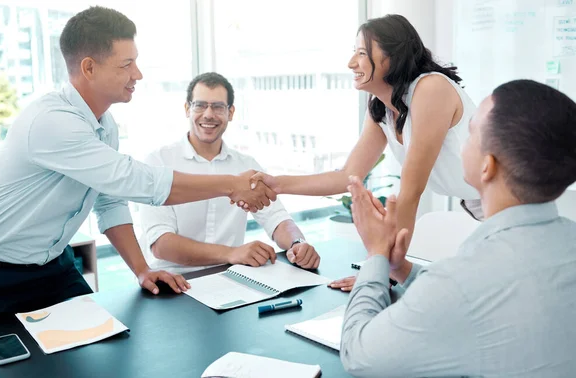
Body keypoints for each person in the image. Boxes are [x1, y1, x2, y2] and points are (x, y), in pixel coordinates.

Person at [0, 6, 275, 318]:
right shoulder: (52, 121)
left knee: (105, 343)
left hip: (52, 265)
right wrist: (232, 184)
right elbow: (134, 181)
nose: (138, 74)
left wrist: (142, 270)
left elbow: (109, 201)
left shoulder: (105, 125)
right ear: (89, 68)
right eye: (127, 64)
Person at [340, 79, 576, 377]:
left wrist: (376, 254)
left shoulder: (461, 282)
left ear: (487, 166)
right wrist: (400, 268)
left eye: (471, 131)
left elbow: (358, 355)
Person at [241, 14, 481, 291]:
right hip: (479, 204)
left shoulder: (430, 88)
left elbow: (411, 191)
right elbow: (347, 176)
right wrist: (277, 184)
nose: (351, 63)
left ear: (393, 55)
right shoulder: (381, 106)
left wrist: (382, 271)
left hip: (516, 201)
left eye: (362, 53)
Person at [139, 73, 321, 274]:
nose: (208, 114)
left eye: (218, 107)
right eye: (200, 105)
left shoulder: (246, 166)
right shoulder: (159, 162)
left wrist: (297, 243)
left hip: (230, 279)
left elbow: (276, 217)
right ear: (187, 109)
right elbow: (161, 244)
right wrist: (231, 253)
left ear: (231, 112)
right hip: (171, 283)